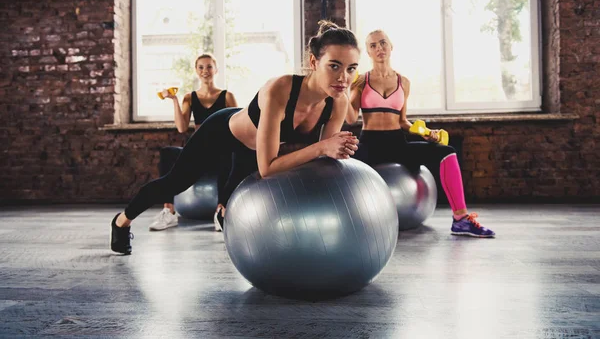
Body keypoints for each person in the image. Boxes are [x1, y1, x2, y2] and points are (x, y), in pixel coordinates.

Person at [110, 20, 361, 254]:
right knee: (174, 183)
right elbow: (269, 167)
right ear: (315, 62)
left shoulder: (337, 102)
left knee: (231, 198)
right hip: (222, 132)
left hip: (252, 149)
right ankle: (121, 222)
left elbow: (324, 159)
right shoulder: (280, 89)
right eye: (334, 66)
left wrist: (336, 150)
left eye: (351, 69)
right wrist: (323, 147)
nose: (343, 78)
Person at [346, 29, 495, 238]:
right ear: (368, 53)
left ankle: (461, 220)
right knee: (332, 161)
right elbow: (351, 118)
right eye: (373, 45)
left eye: (383, 43)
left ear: (391, 46)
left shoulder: (403, 82)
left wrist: (426, 133)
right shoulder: (361, 81)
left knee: (448, 152)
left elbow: (403, 121)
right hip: (370, 144)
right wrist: (343, 94)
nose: (379, 48)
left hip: (397, 143)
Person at [150, 53, 238, 232]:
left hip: (221, 150)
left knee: (227, 154)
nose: (205, 71)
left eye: (209, 67)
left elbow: (237, 124)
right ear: (196, 71)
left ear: (216, 69)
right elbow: (182, 128)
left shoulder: (227, 96)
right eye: (201, 67)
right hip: (198, 150)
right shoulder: (189, 98)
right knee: (168, 152)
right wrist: (174, 100)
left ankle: (220, 212)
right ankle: (169, 211)